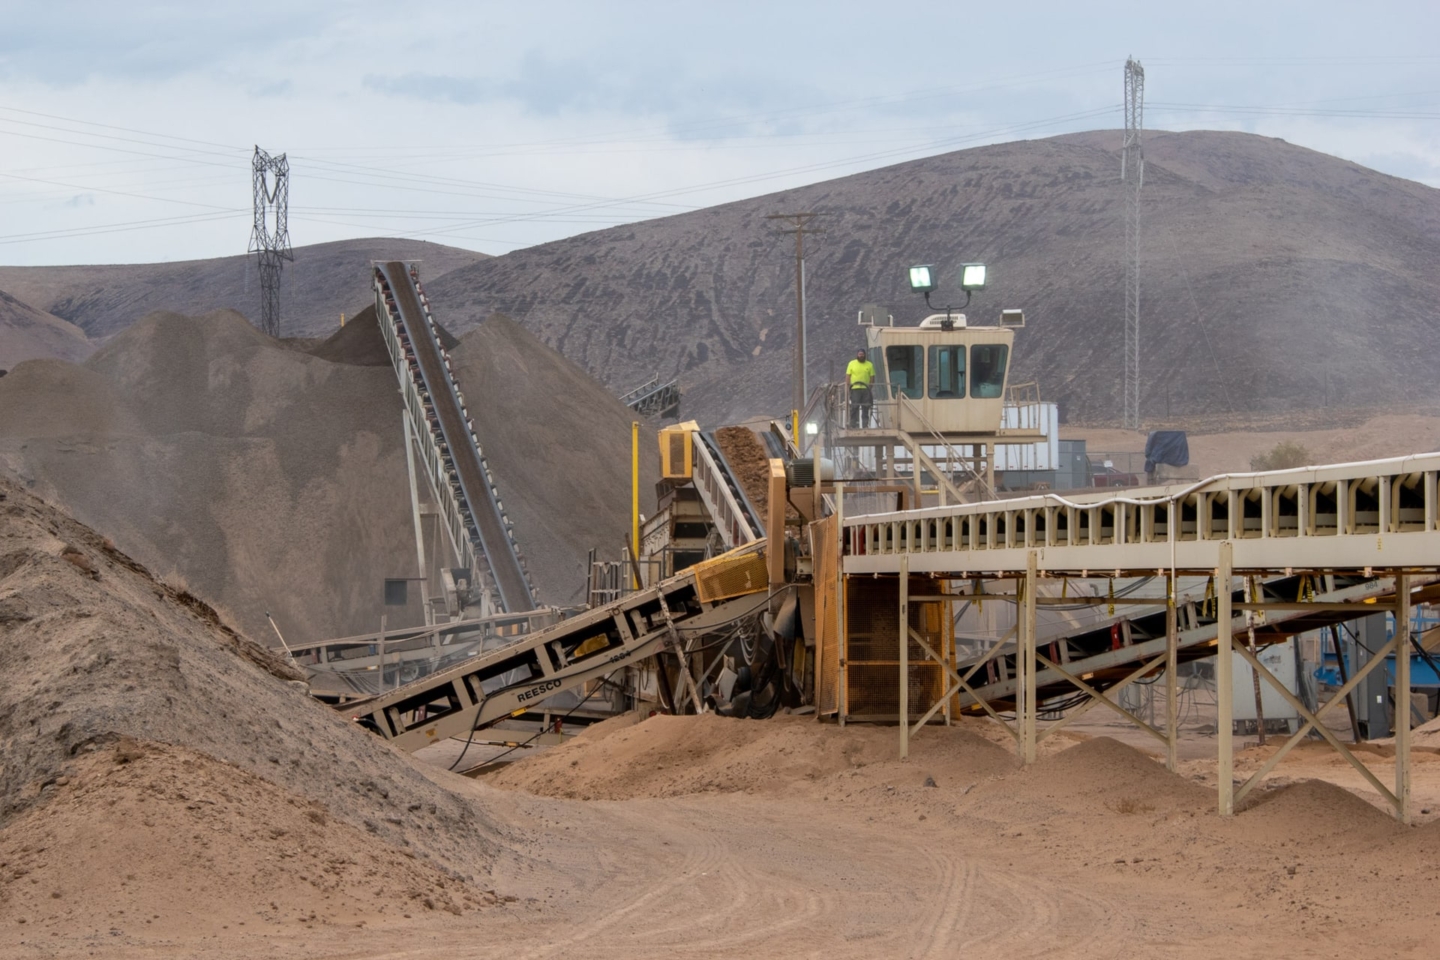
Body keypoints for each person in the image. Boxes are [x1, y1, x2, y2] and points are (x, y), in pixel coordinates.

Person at [845, 348, 875, 429]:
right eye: (859, 354)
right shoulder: (851, 363)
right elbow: (848, 376)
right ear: (857, 355)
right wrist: (848, 386)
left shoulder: (869, 364)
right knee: (854, 407)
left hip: (865, 389)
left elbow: (872, 377)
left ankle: (865, 425)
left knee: (866, 407)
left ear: (865, 355)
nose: (861, 356)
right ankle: (853, 424)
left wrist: (870, 387)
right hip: (855, 389)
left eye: (862, 354)